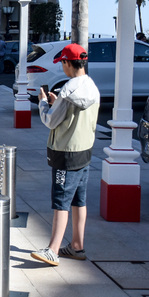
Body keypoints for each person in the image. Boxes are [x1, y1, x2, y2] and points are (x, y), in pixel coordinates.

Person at [31, 43, 100, 267]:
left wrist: (44, 103)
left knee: (61, 201)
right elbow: (71, 114)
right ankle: (77, 246)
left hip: (65, 153)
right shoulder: (91, 86)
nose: (62, 68)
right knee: (79, 201)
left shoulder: (68, 89)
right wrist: (56, 102)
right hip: (85, 151)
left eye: (62, 63)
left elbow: (51, 121)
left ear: (67, 63)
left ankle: (52, 249)